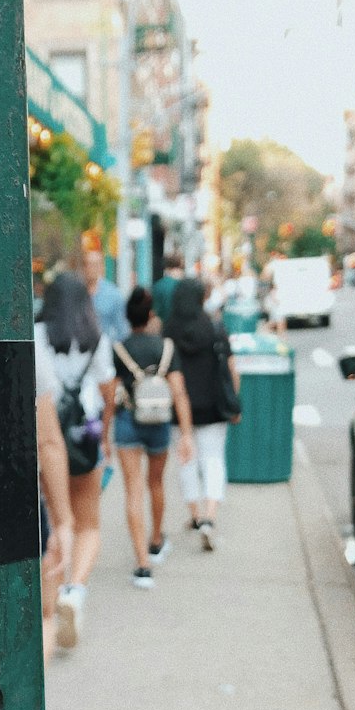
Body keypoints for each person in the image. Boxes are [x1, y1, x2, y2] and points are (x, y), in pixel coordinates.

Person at [35, 271, 116, 646]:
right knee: (88, 525)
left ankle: (48, 610)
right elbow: (107, 388)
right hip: (84, 438)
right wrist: (108, 435)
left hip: (45, 439)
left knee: (53, 522)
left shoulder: (35, 335)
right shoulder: (95, 337)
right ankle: (74, 592)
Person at [112, 286, 194, 588]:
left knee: (133, 490)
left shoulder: (118, 349)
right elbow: (179, 393)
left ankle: (142, 565)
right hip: (159, 422)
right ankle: (156, 541)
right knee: (155, 483)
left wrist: (103, 436)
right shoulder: (166, 348)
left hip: (127, 422)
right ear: (150, 315)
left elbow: (110, 394)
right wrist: (186, 434)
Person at [168, 278, 240, 551]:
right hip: (213, 407)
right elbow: (232, 368)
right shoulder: (214, 328)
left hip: (180, 409)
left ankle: (195, 515)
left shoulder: (169, 330)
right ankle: (210, 516)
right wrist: (233, 401)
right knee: (213, 460)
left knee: (186, 461)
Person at [35, 347, 74, 664]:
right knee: (39, 616)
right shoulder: (17, 337)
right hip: (13, 505)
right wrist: (63, 521)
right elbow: (47, 442)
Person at [81, 248, 126, 344]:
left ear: (102, 267)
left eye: (95, 265)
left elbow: (122, 328)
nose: (91, 268)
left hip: (105, 350)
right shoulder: (75, 293)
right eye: (88, 264)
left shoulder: (113, 294)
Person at [150, 251, 184, 330]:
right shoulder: (185, 285)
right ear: (180, 265)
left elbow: (154, 312)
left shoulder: (158, 286)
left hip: (164, 329)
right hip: (183, 330)